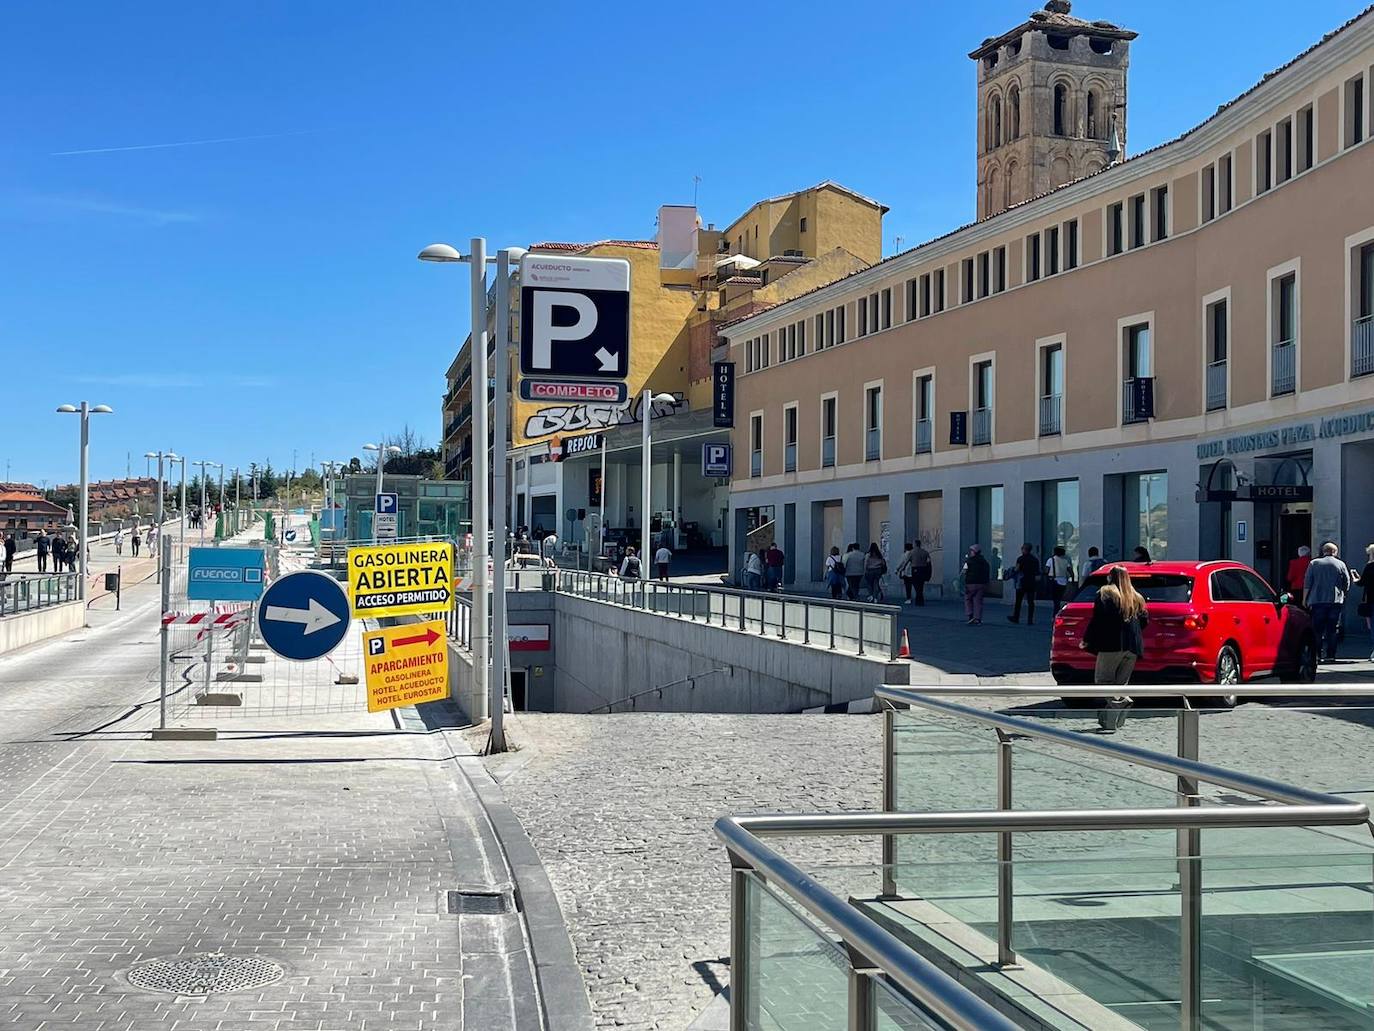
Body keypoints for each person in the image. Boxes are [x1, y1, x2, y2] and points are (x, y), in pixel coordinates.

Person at [1081, 565, 1149, 731]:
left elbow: (1098, 620)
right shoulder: (1136, 596)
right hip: (1133, 646)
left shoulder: (1106, 593)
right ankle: (1110, 723)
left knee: (1103, 681)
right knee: (1119, 685)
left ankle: (1123, 701)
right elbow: (1144, 621)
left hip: (1111, 645)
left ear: (1110, 577)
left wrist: (1087, 639)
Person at [1305, 542, 1352, 663]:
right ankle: (1331, 654)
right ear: (1335, 552)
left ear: (1323, 551)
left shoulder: (1314, 563)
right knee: (1332, 629)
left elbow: (1307, 583)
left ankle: (1317, 654)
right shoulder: (1341, 564)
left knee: (1317, 629)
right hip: (1335, 601)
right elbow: (1347, 582)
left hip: (1317, 601)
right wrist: (1343, 594)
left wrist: (1305, 599)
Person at [1007, 544, 1040, 625]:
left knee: (1018, 601)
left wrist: (1013, 572)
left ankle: (1016, 617)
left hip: (1022, 581)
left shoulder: (1020, 559)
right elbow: (1037, 572)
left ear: (1023, 549)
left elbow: (1017, 569)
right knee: (1031, 602)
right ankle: (1030, 619)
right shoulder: (1035, 560)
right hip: (1031, 582)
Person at [961, 544, 990, 625]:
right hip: (981, 583)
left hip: (971, 583)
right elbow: (987, 571)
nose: (970, 552)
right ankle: (978, 618)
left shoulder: (968, 561)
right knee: (978, 601)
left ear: (974, 552)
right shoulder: (984, 561)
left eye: (971, 551)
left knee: (968, 599)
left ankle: (970, 615)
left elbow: (964, 572)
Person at [1045, 545, 1074, 613]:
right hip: (1063, 581)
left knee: (1055, 599)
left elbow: (1046, 570)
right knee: (1059, 598)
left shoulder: (1050, 560)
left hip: (1054, 580)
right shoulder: (1065, 561)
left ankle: (1056, 612)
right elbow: (1071, 572)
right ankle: (1058, 611)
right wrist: (1072, 581)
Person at [1360, 544, 1374, 663]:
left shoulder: (1370, 567)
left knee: (1373, 626)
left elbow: (1361, 582)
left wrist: (1355, 578)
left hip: (1372, 599)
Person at [909, 541, 932, 605]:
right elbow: (929, 562)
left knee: (916, 585)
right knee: (921, 585)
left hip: (915, 569)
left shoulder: (912, 552)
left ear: (915, 544)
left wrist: (901, 569)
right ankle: (920, 599)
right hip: (923, 569)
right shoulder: (925, 552)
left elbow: (906, 561)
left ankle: (918, 598)